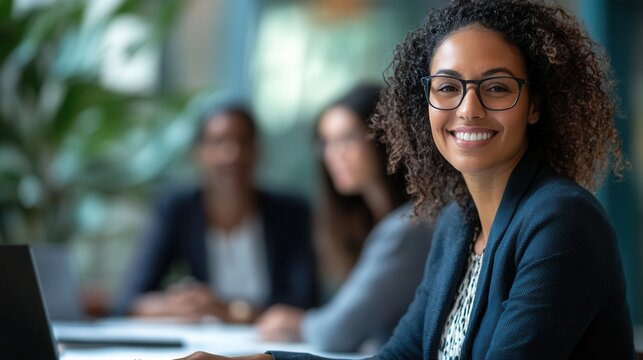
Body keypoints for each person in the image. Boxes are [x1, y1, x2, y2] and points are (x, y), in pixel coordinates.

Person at [175, 0, 636, 358]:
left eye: (496, 87)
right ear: (427, 104)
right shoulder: (458, 223)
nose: (468, 109)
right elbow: (402, 355)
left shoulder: (560, 222)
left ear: (535, 105)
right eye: (447, 88)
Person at [256, 84, 433, 352]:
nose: (334, 155)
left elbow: (336, 333)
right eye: (326, 142)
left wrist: (301, 323)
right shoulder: (375, 223)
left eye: (348, 138)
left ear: (388, 136)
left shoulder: (410, 226)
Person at [113, 101, 318, 323]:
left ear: (258, 151)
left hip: (271, 345)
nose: (232, 154)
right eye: (217, 142)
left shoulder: (291, 213)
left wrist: (227, 309)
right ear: (197, 153)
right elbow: (128, 300)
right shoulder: (177, 209)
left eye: (243, 141)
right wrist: (179, 305)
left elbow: (304, 304)